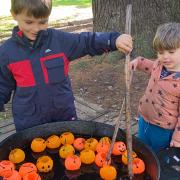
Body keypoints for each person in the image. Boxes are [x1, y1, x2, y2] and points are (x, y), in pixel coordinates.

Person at [0, 0, 133, 131]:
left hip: (63, 117)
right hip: (29, 123)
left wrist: (113, 39)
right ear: (14, 14)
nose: (36, 28)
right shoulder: (6, 52)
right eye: (29, 22)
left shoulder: (60, 41)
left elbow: (86, 41)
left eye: (43, 22)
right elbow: (2, 86)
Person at [131, 22, 180, 152]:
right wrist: (138, 62)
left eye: (171, 52)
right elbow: (150, 65)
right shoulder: (159, 65)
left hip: (163, 129)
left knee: (157, 158)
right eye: (160, 52)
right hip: (144, 119)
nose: (165, 57)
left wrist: (177, 138)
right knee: (142, 150)